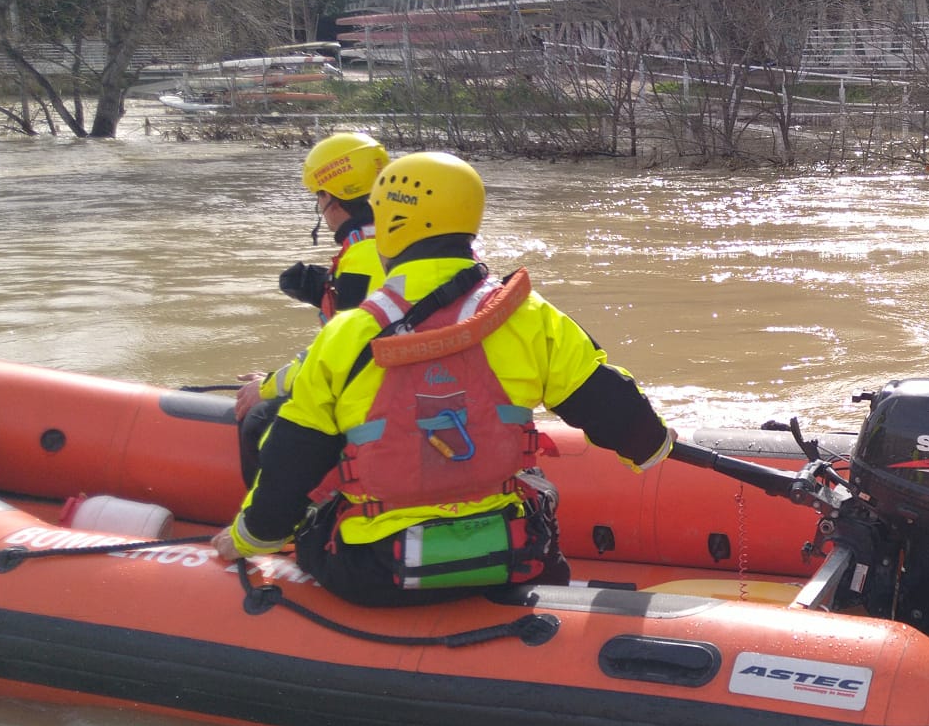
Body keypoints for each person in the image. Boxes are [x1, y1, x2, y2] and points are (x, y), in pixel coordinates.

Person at [213, 152, 674, 605]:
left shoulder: (347, 334)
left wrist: (248, 538)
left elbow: (290, 461)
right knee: (539, 487)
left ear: (389, 222)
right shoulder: (530, 316)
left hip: (374, 571)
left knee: (318, 502)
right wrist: (654, 446)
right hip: (511, 555)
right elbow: (618, 411)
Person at [234, 132, 390, 486]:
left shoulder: (361, 256)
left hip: (375, 395)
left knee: (259, 420)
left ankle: (274, 529)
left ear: (330, 197)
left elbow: (340, 356)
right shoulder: (389, 239)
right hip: (397, 380)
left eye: (318, 198)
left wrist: (271, 385)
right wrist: (323, 287)